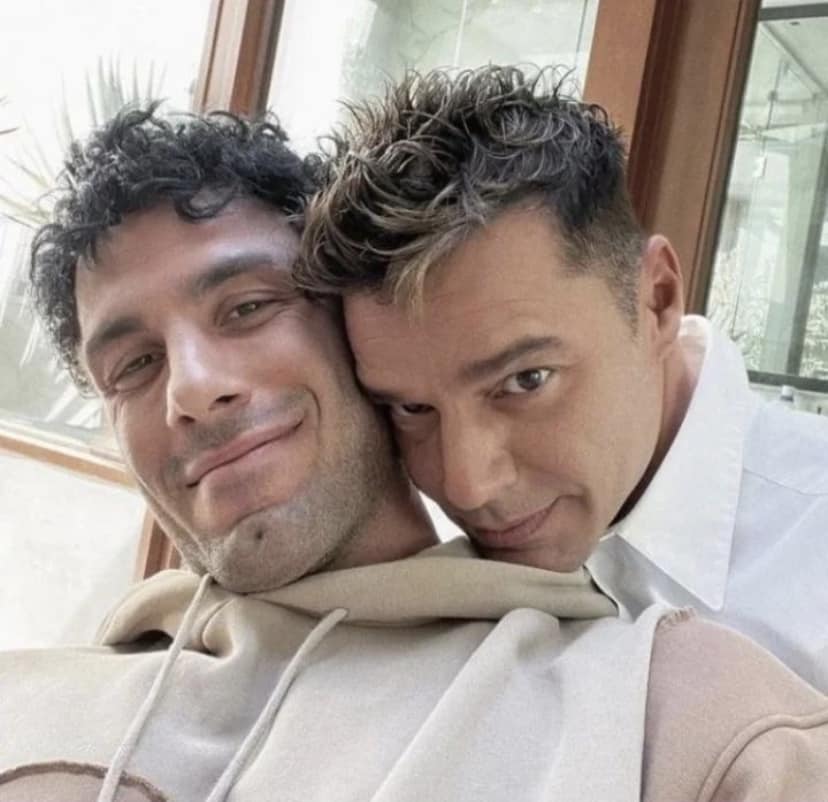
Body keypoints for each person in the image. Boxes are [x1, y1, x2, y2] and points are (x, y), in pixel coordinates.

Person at [0, 105, 827, 802]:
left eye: (247, 307)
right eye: (132, 365)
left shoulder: (688, 712)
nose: (191, 388)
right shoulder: (52, 686)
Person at [298, 65, 828, 691]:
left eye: (526, 380)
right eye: (412, 409)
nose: (466, 485)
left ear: (657, 300)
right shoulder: (408, 547)